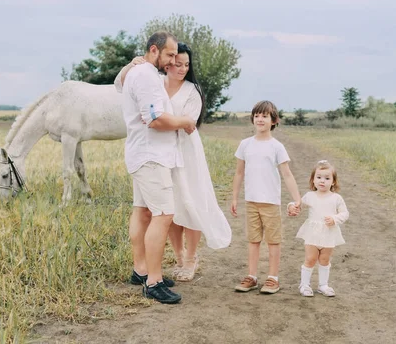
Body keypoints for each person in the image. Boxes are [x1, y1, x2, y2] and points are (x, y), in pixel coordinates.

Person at [115, 42, 232, 283]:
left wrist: (169, 121)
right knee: (169, 209)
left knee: (191, 203)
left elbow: (189, 124)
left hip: (185, 153)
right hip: (161, 154)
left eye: (186, 65)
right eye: (177, 63)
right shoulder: (153, 81)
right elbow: (121, 85)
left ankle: (190, 257)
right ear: (167, 62)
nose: (181, 68)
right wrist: (132, 64)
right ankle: (178, 256)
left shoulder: (192, 91)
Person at [120, 31, 196, 304]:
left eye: (176, 55)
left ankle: (140, 270)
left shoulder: (137, 72)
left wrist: (132, 63)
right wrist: (184, 120)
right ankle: (154, 281)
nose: (174, 60)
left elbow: (119, 82)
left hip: (143, 154)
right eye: (170, 54)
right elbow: (154, 119)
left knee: (141, 212)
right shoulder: (147, 76)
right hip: (151, 157)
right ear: (155, 50)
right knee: (163, 214)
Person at [231, 100, 301, 294]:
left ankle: (272, 278)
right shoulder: (245, 144)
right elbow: (239, 173)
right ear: (252, 119)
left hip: (270, 202)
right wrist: (235, 198)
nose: (260, 119)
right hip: (251, 201)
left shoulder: (277, 146)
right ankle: (252, 276)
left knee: (273, 240)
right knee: (253, 240)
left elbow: (287, 174)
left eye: (265, 116)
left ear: (274, 121)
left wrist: (297, 199)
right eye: (257, 115)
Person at [288, 160, 349, 297]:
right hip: (312, 233)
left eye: (327, 178)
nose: (322, 181)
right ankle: (304, 285)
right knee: (310, 258)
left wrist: (335, 219)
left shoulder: (336, 198)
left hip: (329, 233)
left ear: (333, 181)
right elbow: (298, 205)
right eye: (319, 177)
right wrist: (292, 206)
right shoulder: (310, 196)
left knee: (325, 260)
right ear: (313, 180)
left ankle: (323, 285)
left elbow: (345, 213)